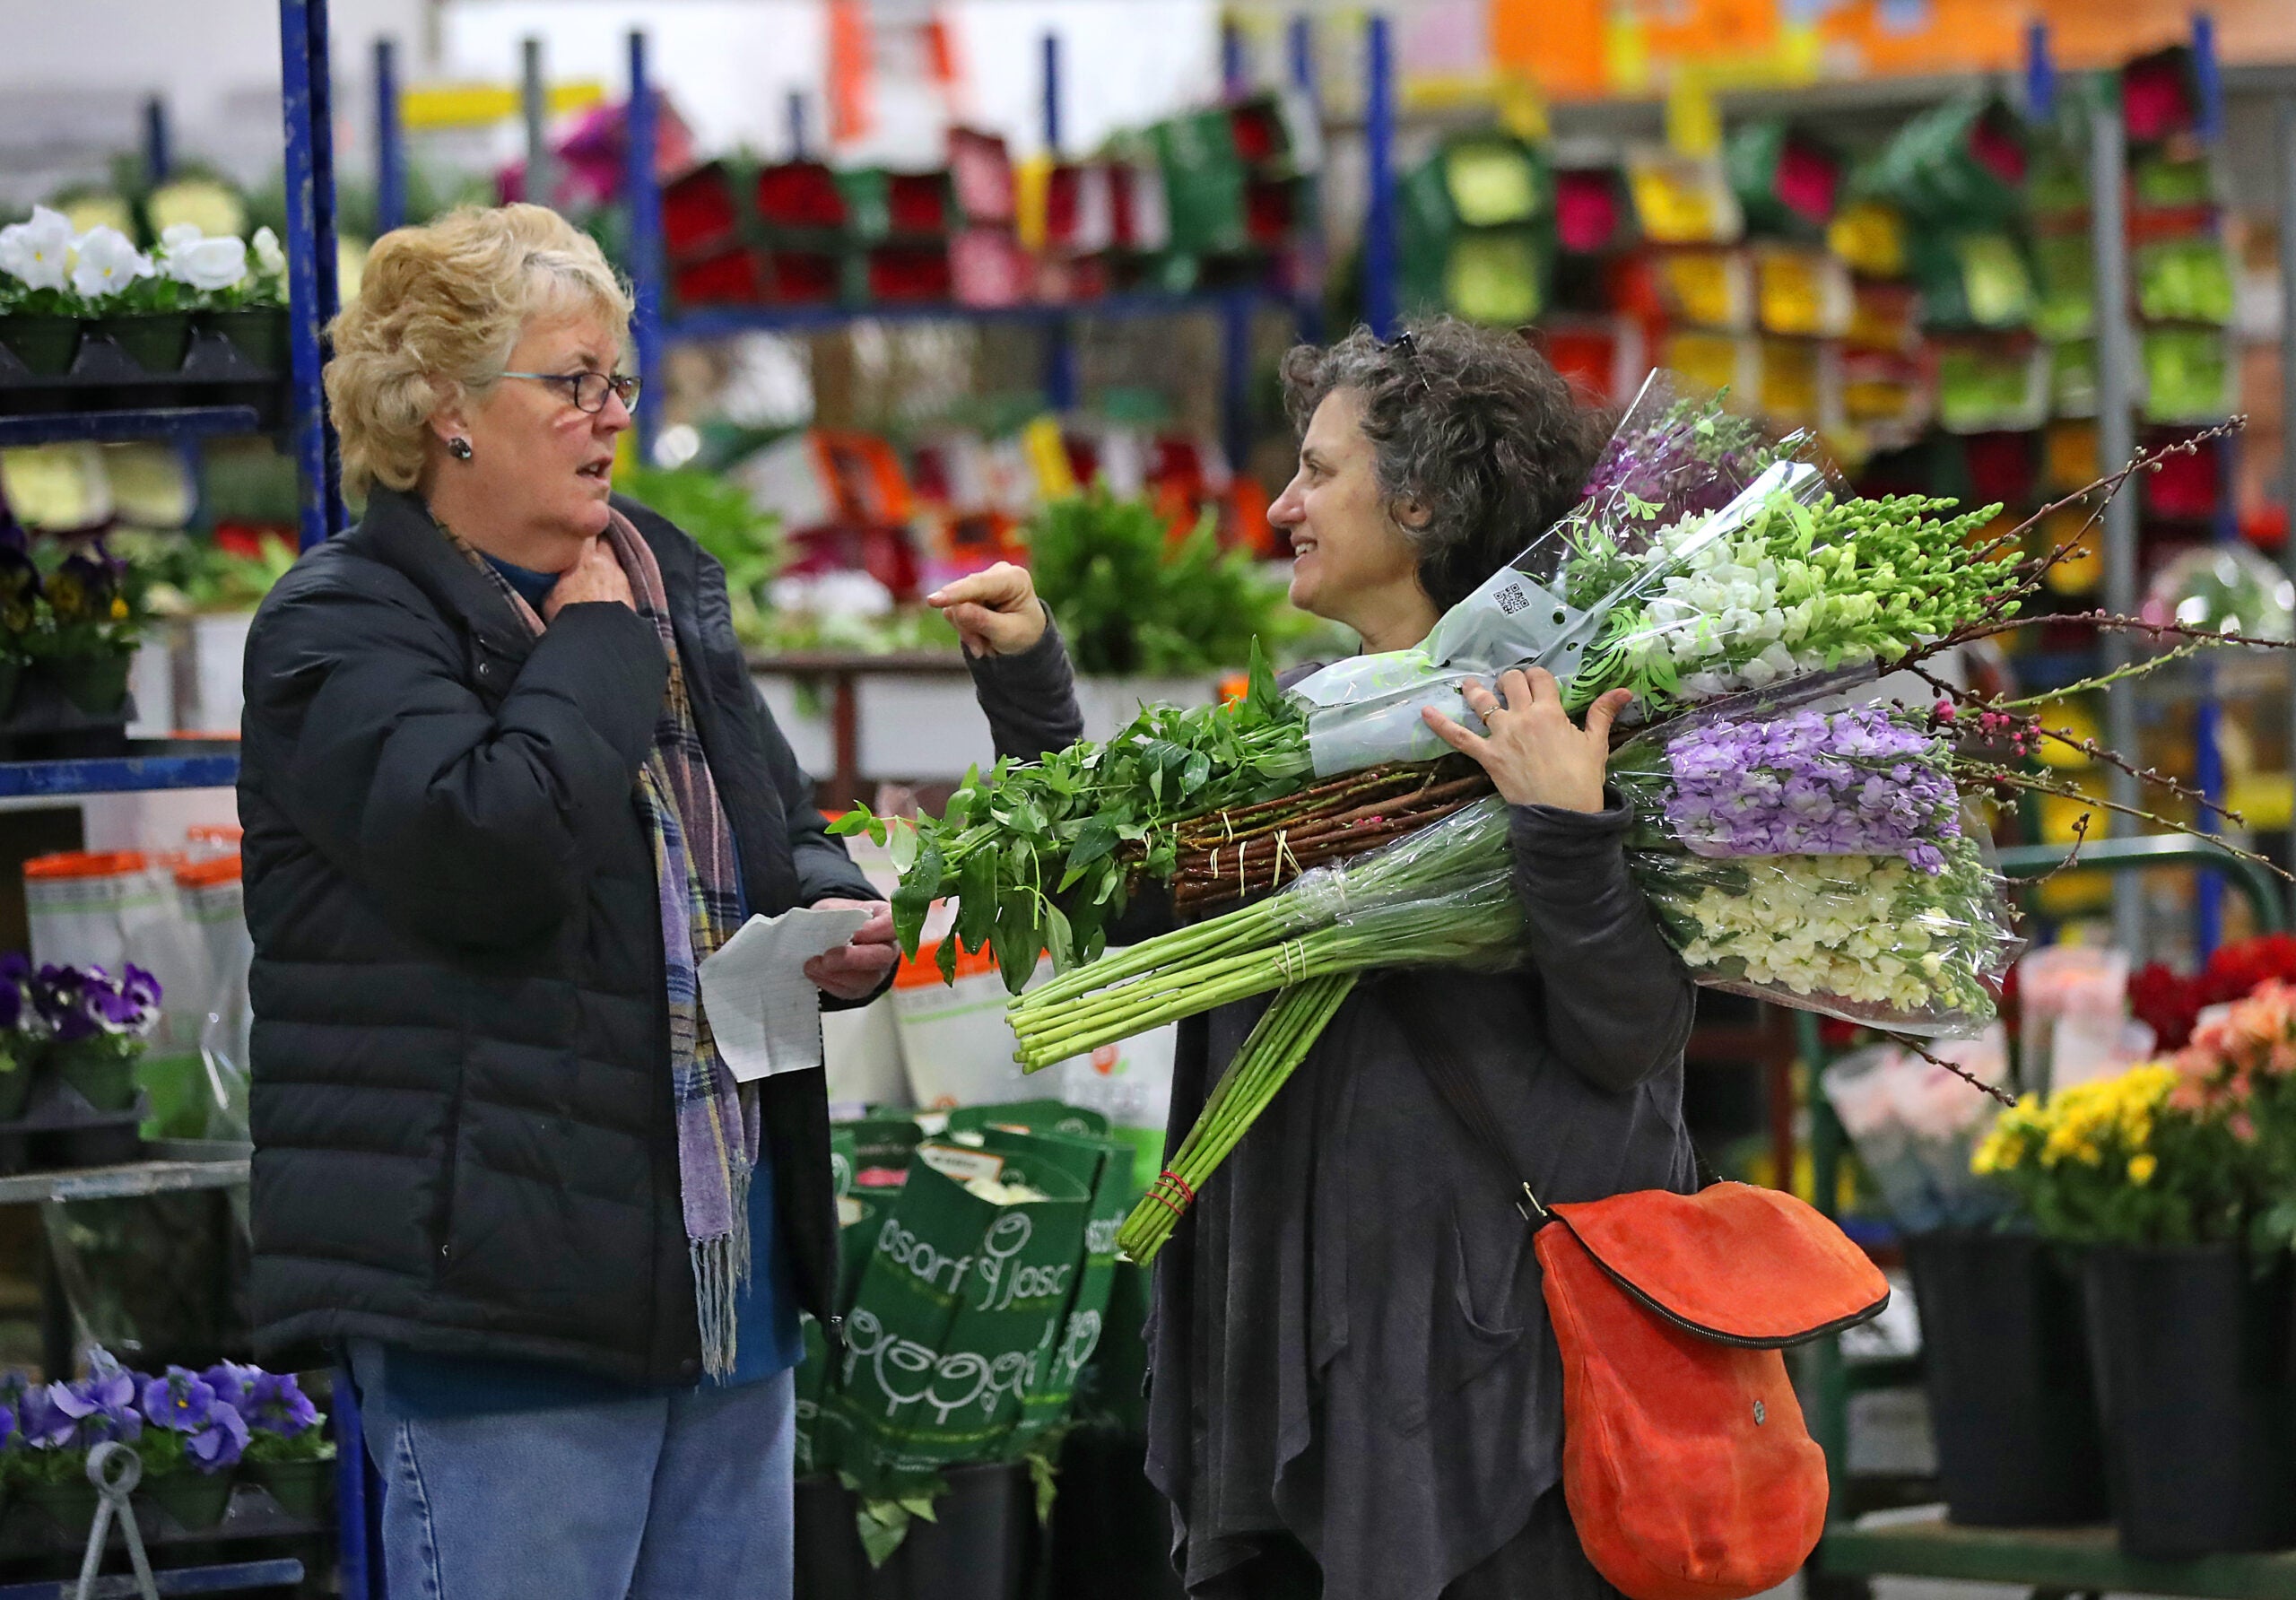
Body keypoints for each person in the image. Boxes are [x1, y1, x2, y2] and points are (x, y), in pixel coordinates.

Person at [929, 318, 1699, 1600]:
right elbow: (1138, 902)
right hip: (1284, 1333)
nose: (1284, 503)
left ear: (1425, 496)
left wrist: (1566, 834)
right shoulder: (1310, 732)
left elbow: (1630, 1037)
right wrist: (1030, 689)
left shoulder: (1572, 715)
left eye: (1318, 471)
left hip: (1477, 1381)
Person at [239, 204, 898, 1600]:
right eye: (573, 382)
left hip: (719, 1284)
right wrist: (595, 643)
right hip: (505, 1307)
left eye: (622, 384)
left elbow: (781, 824)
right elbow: (488, 847)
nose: (611, 418)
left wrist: (839, 915)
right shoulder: (341, 626)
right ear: (445, 409)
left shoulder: (658, 584)